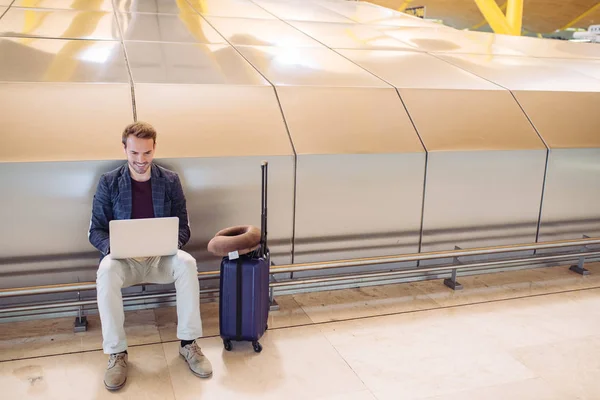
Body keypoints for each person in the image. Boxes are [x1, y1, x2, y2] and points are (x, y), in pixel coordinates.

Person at [88, 122, 212, 391]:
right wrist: (114, 248)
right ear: (125, 149)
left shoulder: (170, 180)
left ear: (155, 148)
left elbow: (184, 226)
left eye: (146, 153)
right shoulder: (109, 182)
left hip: (161, 259)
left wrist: (170, 244)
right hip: (124, 261)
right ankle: (116, 353)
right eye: (134, 153)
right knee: (106, 271)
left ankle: (188, 344)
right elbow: (95, 230)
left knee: (188, 264)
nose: (141, 160)